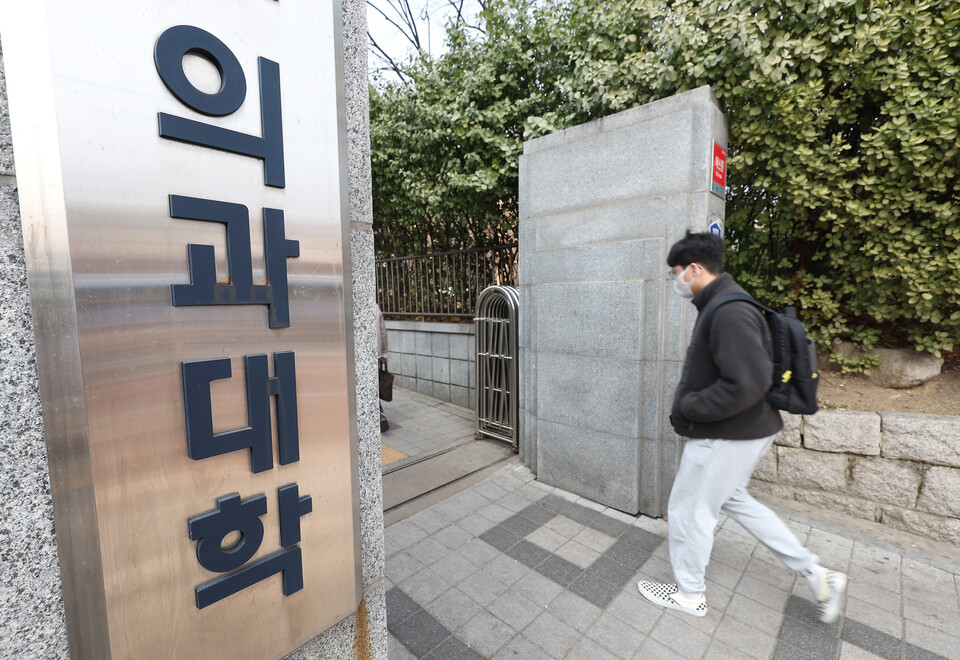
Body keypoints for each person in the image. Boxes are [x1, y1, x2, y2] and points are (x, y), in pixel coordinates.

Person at [636, 231, 847, 623]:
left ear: (695, 269)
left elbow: (746, 383)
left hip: (725, 434)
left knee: (689, 510)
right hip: (746, 429)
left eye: (675, 272)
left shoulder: (729, 311)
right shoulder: (726, 302)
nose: (674, 280)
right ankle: (818, 574)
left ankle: (688, 594)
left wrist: (690, 405)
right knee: (736, 502)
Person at [376, 304, 389, 433]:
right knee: (374, 386)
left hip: (362, 357)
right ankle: (380, 416)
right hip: (377, 354)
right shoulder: (375, 307)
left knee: (370, 388)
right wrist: (385, 352)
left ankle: (380, 416)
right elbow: (383, 332)